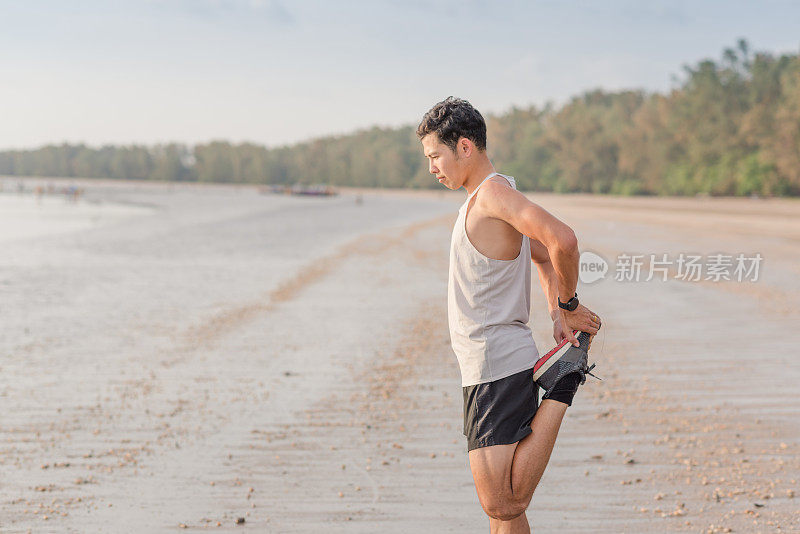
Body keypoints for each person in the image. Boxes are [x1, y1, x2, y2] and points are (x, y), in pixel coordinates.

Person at [417, 97, 602, 533]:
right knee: (506, 513)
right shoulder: (490, 199)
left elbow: (563, 241)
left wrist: (569, 306)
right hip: (490, 362)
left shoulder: (493, 196)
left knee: (502, 501)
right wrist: (556, 309)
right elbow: (540, 254)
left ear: (465, 147)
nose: (431, 168)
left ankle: (563, 383)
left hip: (495, 362)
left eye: (435, 156)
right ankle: (563, 377)